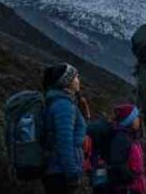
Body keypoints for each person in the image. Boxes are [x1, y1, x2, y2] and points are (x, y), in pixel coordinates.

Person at [43, 63, 88, 194]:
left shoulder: (58, 102)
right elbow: (64, 142)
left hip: (55, 171)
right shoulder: (64, 106)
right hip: (60, 173)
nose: (78, 80)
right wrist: (72, 173)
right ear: (67, 81)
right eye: (76, 77)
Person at [103, 103, 146, 194]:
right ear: (129, 120)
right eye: (136, 117)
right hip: (127, 188)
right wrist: (131, 178)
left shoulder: (130, 137)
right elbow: (118, 164)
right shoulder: (121, 139)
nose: (139, 120)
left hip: (135, 186)